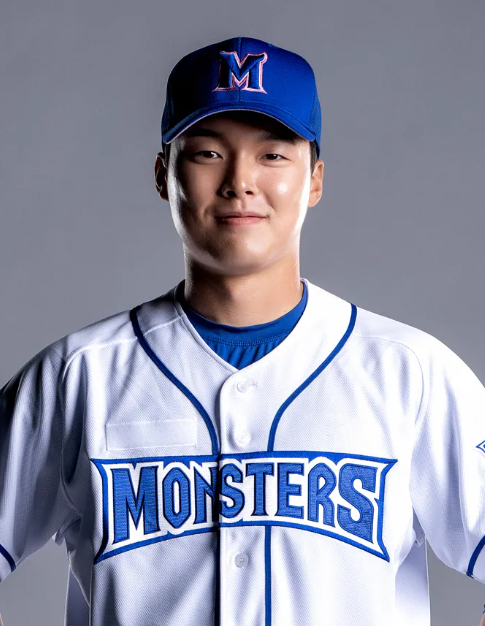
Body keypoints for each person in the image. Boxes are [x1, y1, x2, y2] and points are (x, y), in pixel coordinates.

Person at [0, 35, 485, 626]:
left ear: (315, 179)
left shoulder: (411, 373)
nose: (239, 181)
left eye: (273, 155)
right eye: (207, 152)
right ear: (164, 175)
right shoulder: (77, 376)